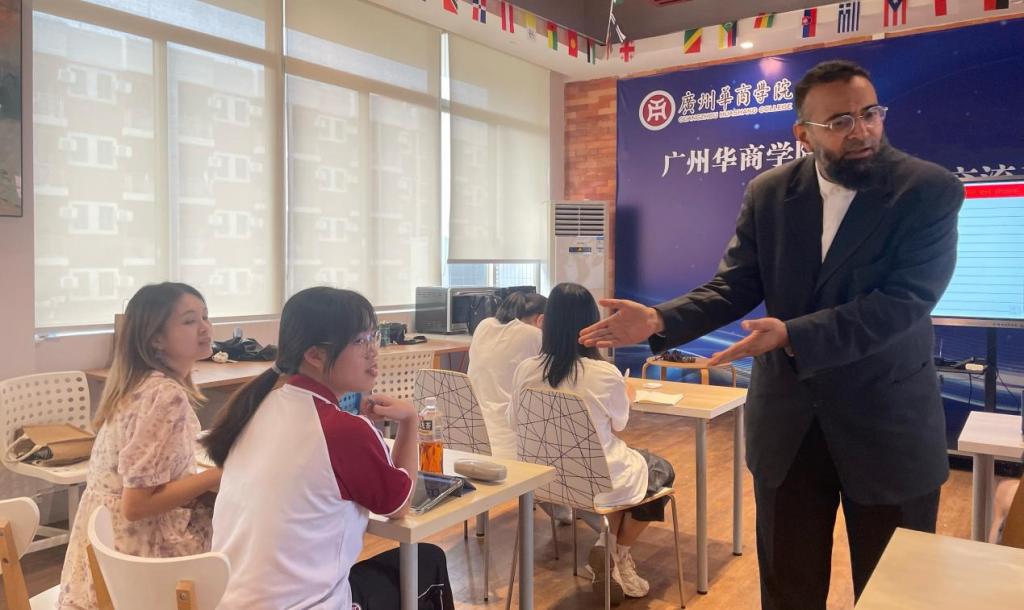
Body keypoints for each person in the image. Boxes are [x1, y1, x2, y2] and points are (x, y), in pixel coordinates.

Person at [579, 60, 964, 609]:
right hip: (788, 426)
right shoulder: (771, 192)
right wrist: (661, 319)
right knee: (787, 591)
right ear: (804, 133)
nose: (861, 130)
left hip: (888, 424)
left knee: (896, 596)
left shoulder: (927, 190)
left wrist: (791, 333)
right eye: (840, 121)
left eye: (870, 113)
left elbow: (905, 302)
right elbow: (736, 284)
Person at [202, 286, 454, 610]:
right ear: (315, 355)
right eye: (359, 341)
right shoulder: (343, 429)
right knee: (427, 561)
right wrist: (409, 419)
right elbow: (399, 505)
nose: (373, 351)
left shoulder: (254, 409)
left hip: (228, 601)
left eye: (374, 336)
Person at [58, 283, 222, 610]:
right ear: (155, 338)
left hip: (105, 550)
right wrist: (217, 475)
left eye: (205, 316)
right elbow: (137, 504)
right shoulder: (164, 395)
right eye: (189, 321)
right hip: (140, 555)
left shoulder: (139, 384)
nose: (205, 327)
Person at [513, 282, 675, 604]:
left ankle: (608, 550)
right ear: (592, 324)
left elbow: (514, 420)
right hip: (597, 479)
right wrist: (626, 393)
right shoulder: (604, 373)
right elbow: (620, 424)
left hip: (541, 480)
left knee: (629, 470)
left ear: (547, 322)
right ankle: (616, 553)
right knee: (660, 471)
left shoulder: (525, 369)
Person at [467, 291, 547, 460]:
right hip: (512, 446)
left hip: (471, 440)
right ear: (541, 320)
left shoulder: (484, 326)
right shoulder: (534, 335)